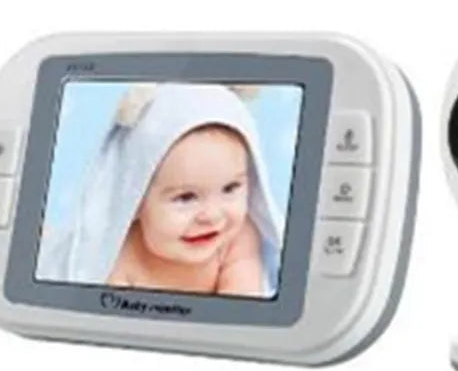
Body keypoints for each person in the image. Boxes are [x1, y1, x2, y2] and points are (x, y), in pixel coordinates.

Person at [37, 83, 283, 298]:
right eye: (186, 197)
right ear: (136, 201)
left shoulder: (236, 238)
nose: (212, 215)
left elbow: (241, 307)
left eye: (230, 188)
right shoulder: (117, 255)